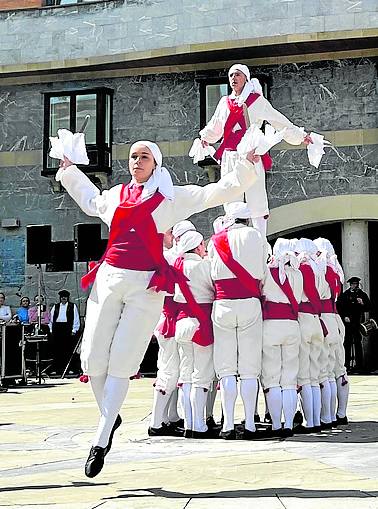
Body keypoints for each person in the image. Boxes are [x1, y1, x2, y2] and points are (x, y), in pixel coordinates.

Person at [57, 140, 258, 477]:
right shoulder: (117, 194)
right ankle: (111, 413)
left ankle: (101, 438)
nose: (137, 161)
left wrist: (246, 168)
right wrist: (68, 170)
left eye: (144, 156)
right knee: (92, 357)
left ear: (156, 163)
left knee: (122, 361)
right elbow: (91, 200)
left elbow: (214, 192)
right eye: (133, 156)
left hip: (146, 285)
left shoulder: (170, 198)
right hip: (109, 278)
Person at [198, 63, 312, 236]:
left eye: (237, 75)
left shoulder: (256, 101)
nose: (233, 79)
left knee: (256, 197)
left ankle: (260, 239)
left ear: (245, 78)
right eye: (231, 76)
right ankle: (231, 237)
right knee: (230, 195)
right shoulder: (224, 102)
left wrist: (299, 136)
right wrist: (205, 138)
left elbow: (278, 120)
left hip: (251, 156)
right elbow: (216, 126)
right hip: (230, 156)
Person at [207, 201, 267, 440]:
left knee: (227, 369)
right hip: (249, 301)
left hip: (222, 303)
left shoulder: (216, 240)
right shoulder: (257, 236)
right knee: (250, 369)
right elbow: (263, 272)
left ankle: (228, 425)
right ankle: (250, 424)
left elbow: (211, 270)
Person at [173, 230, 216, 438]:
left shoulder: (177, 265)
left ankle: (189, 422)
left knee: (185, 374)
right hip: (201, 321)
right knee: (201, 375)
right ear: (197, 246)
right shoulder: (203, 265)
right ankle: (199, 424)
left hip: (182, 322)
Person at [261, 238, 303, 437]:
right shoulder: (298, 273)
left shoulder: (267, 273)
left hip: (270, 325)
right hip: (292, 325)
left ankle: (276, 424)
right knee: (289, 378)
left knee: (271, 377)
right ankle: (288, 422)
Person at [294, 238, 325, 433]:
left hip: (305, 316)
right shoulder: (319, 268)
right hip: (316, 317)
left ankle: (310, 421)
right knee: (316, 375)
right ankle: (317, 419)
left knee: (305, 376)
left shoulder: (304, 268)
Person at [337, 277, 371, 373]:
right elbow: (340, 307)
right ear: (350, 285)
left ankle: (359, 365)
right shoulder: (345, 295)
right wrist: (344, 316)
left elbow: (368, 307)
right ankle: (347, 364)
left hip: (357, 321)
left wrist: (362, 303)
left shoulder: (362, 294)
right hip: (348, 322)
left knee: (357, 342)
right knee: (347, 343)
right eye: (353, 284)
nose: (355, 286)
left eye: (356, 284)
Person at [49, 290, 80, 376]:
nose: (63, 298)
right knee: (57, 350)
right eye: (62, 297)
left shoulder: (72, 306)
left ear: (67, 298)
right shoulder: (56, 307)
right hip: (57, 329)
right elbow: (51, 319)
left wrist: (74, 330)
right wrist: (51, 330)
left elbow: (76, 318)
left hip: (67, 329)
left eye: (65, 297)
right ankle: (57, 369)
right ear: (60, 298)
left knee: (68, 350)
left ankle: (69, 369)